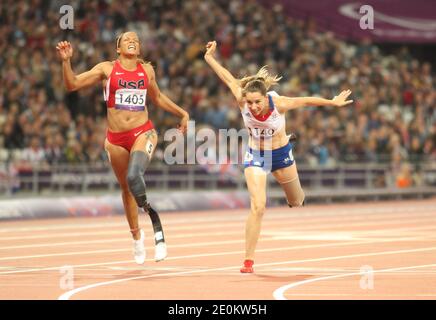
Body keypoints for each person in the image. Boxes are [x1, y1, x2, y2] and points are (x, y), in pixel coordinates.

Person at [204, 41, 353, 273]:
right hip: (257, 154)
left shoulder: (279, 103)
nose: (252, 107)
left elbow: (306, 101)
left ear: (265, 98)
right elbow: (227, 77)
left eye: (257, 102)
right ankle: (248, 261)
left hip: (281, 154)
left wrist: (332, 102)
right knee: (258, 206)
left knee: (296, 201)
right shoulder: (242, 99)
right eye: (250, 102)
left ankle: (292, 187)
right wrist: (209, 58)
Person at [56, 31, 189, 264]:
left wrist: (182, 112)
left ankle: (153, 220)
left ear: (139, 49)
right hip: (115, 139)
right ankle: (137, 237)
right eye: (127, 39)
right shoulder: (107, 69)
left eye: (136, 40)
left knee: (134, 175)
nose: (132, 41)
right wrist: (66, 61)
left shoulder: (147, 71)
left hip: (142, 131)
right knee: (127, 189)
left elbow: (157, 98)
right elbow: (72, 84)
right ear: (118, 48)